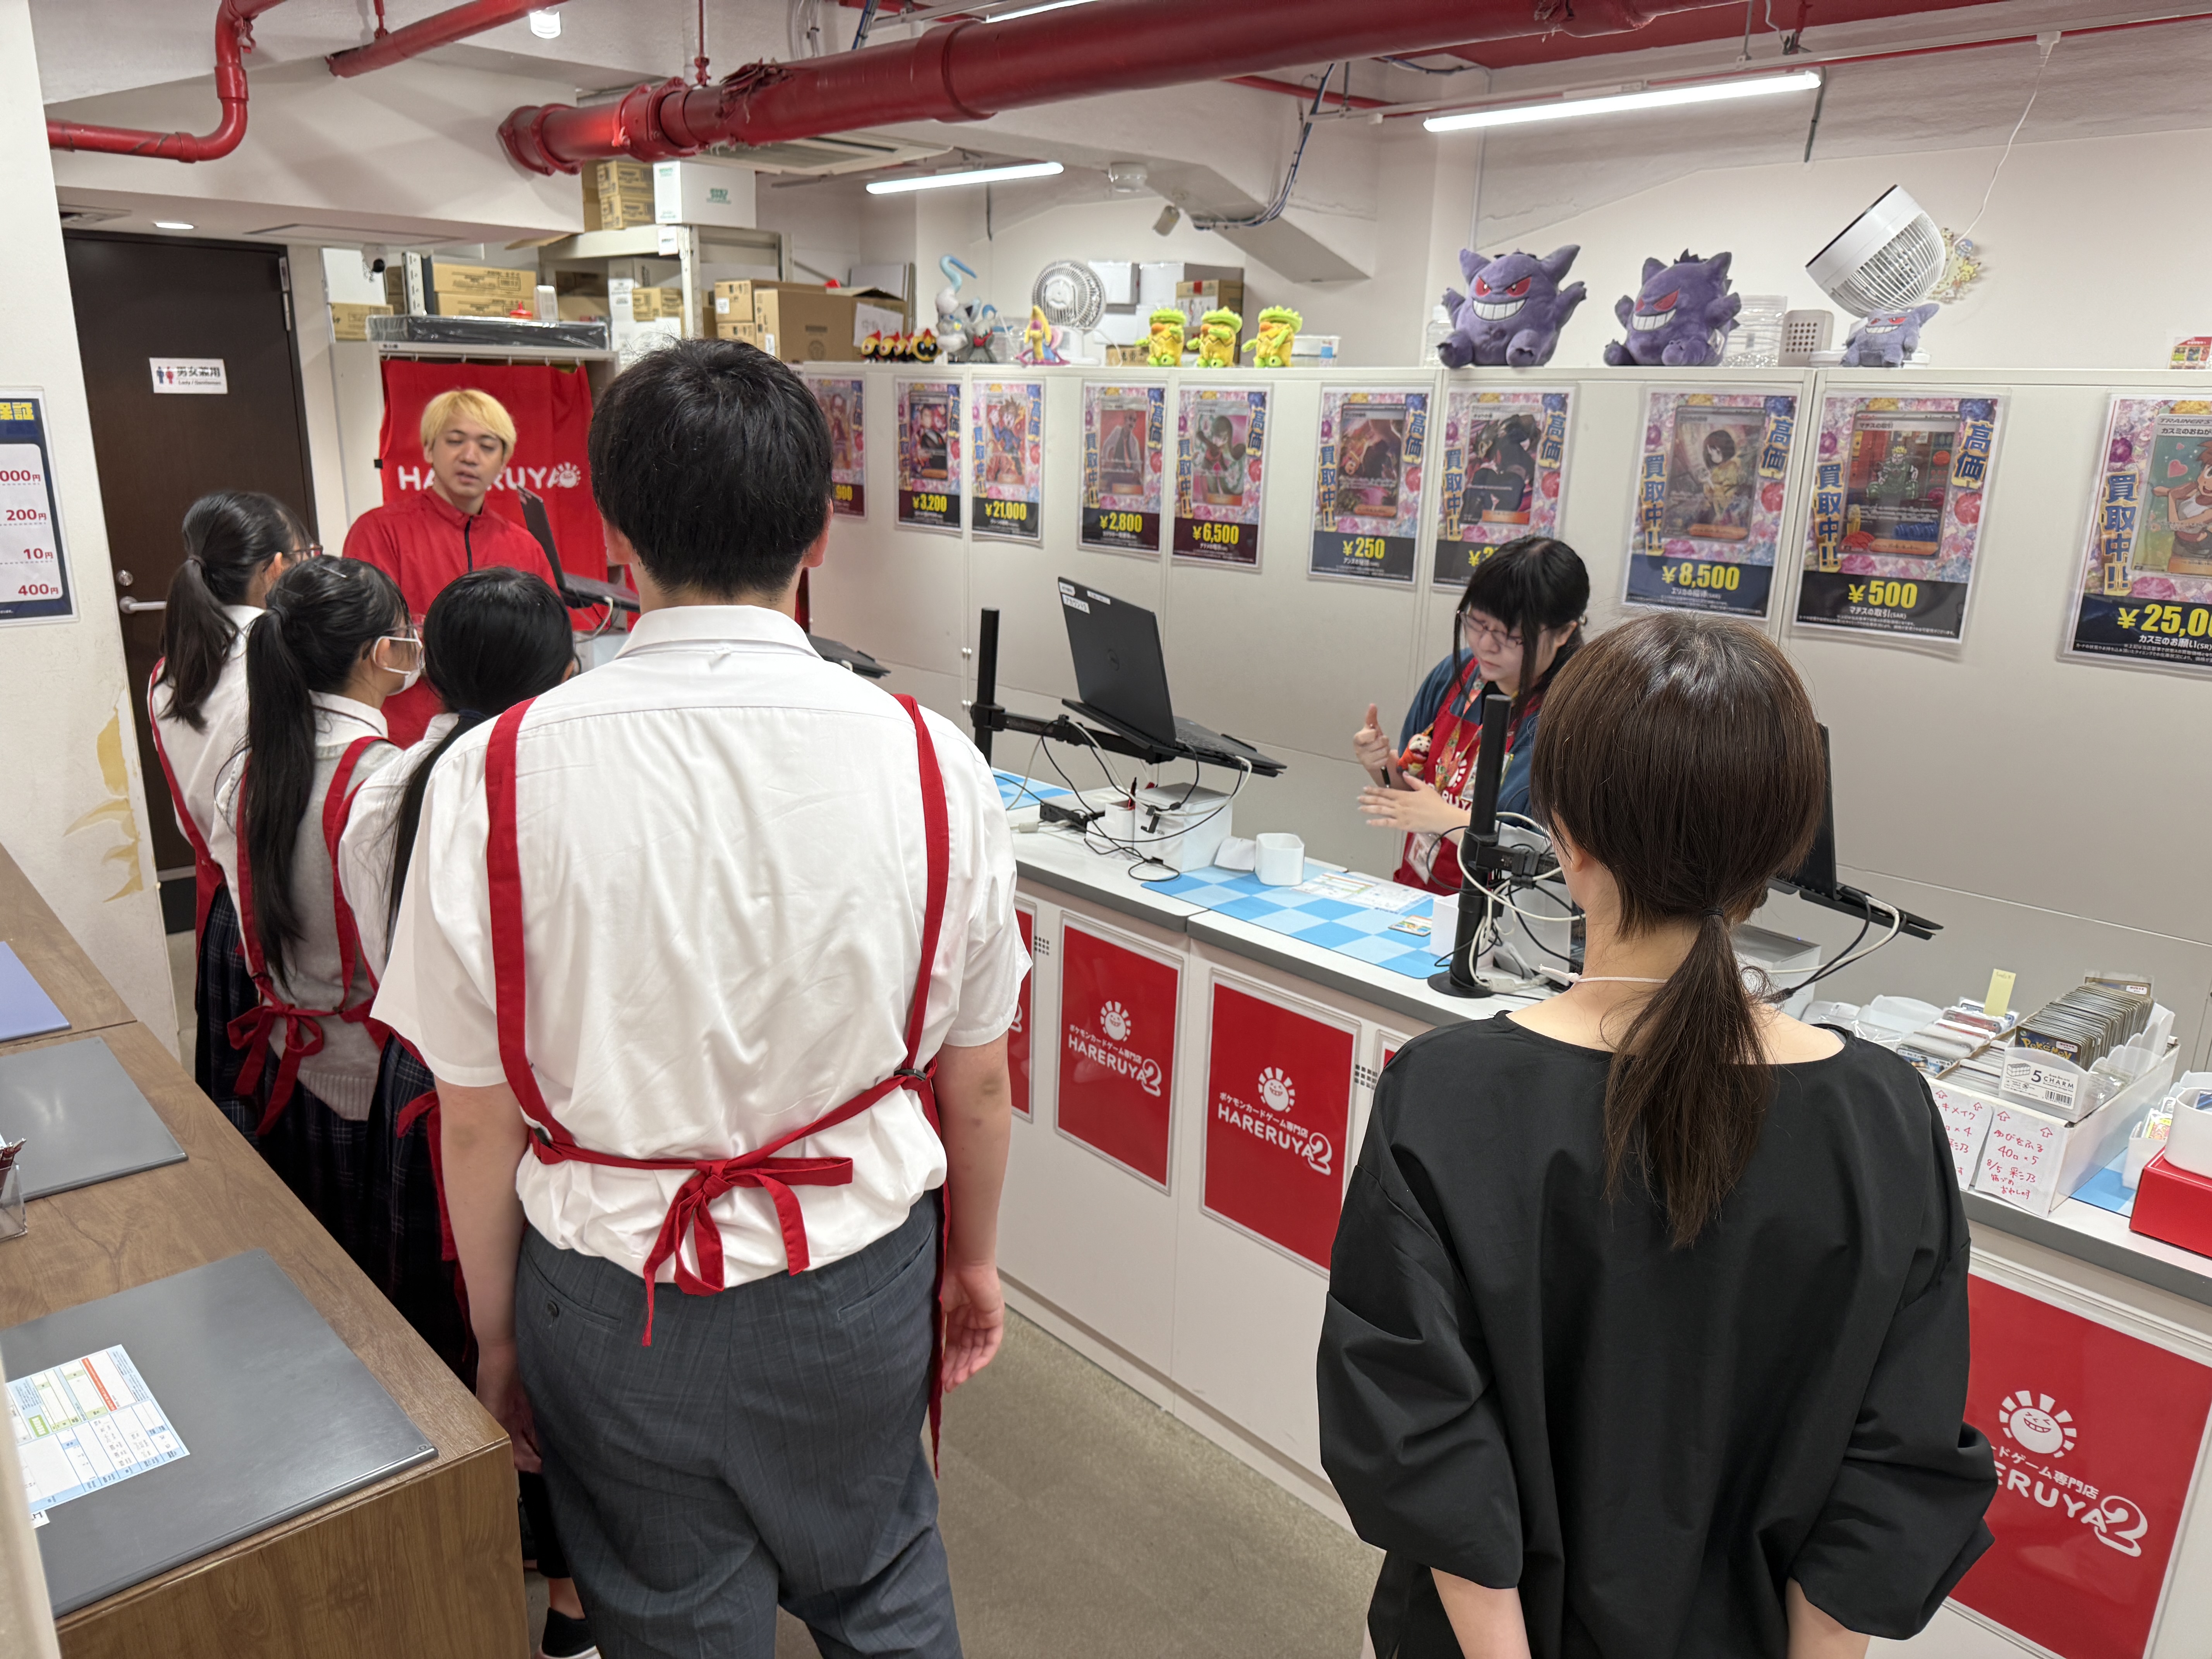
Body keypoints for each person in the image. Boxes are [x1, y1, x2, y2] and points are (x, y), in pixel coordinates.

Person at [373, 338, 1026, 1658]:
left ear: (613, 538)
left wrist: (497, 1335)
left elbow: (476, 1115)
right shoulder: (933, 757)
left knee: (668, 1617)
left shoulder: (492, 769)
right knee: (885, 1573)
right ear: (819, 534)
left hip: (607, 1292)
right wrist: (972, 1259)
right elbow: (979, 1074)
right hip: (858, 1275)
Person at [1318, 613, 1996, 1659]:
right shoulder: (1886, 1117)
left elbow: (1420, 1435)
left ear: (1566, 834)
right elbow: (1892, 1468)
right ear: (1777, 850)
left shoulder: (1449, 1094)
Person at [333, 565, 592, 1659]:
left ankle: (485, 1545)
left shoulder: (385, 788)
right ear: (562, 672)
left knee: (458, 1332)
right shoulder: (557, 792)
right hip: (528, 1101)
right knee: (550, 1342)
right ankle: (573, 1597)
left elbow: (377, 945)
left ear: (429, 666)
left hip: (422, 1087)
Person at [208, 557, 414, 1260]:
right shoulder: (389, 780)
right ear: (381, 654)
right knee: (376, 1266)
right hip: (371, 1073)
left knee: (310, 1250)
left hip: (283, 1057)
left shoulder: (247, 769)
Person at [147, 491, 314, 1132]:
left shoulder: (169, 671)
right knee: (301, 1093)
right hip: (286, 904)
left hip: (221, 908)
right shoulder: (286, 664)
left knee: (240, 1101)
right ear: (275, 568)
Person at [341, 387, 580, 745]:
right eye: (455, 441)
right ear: (428, 449)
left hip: (506, 738)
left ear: (504, 461)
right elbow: (371, 642)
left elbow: (548, 647)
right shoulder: (378, 531)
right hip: (406, 740)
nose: (470, 456)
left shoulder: (525, 546)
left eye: (487, 446)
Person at [1353, 537, 1587, 893]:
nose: (1486, 644)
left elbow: (1562, 862)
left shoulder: (1575, 719)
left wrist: (1452, 821)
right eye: (1478, 622)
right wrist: (1381, 763)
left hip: (1507, 914)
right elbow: (1412, 788)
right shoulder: (1455, 675)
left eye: (1511, 634)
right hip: (1420, 895)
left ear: (1564, 632)